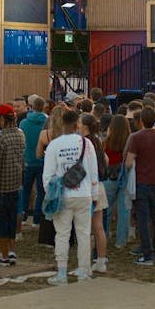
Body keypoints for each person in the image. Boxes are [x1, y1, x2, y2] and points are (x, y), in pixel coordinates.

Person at [44, 110, 99, 284]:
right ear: (77, 125)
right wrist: (94, 194)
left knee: (62, 234)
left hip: (62, 195)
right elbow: (93, 171)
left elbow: (48, 175)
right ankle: (84, 270)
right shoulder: (87, 143)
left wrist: (50, 194)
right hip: (83, 194)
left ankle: (61, 272)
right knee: (83, 233)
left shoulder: (54, 145)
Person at [125, 107, 155, 267]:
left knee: (143, 218)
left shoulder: (136, 137)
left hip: (141, 181)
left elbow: (129, 162)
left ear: (141, 121)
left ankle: (146, 253)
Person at [0, 104, 25, 266]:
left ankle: (4, 255)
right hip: (15, 184)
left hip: (1, 188)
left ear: (2, 118)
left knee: (0, 223)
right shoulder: (20, 135)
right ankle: (12, 251)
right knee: (12, 220)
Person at [79, 113, 109, 273]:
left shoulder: (84, 142)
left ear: (84, 126)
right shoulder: (98, 141)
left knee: (86, 228)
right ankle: (101, 260)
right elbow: (106, 160)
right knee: (98, 227)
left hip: (87, 187)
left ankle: (86, 261)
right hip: (99, 186)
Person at [103, 114, 133, 248]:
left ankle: (104, 236)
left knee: (106, 209)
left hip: (109, 177)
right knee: (124, 210)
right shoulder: (130, 141)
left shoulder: (106, 141)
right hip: (125, 176)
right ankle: (121, 241)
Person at [19, 95, 48, 228]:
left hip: (28, 160)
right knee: (41, 191)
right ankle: (37, 219)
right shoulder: (47, 122)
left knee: (26, 190)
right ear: (44, 107)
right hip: (43, 160)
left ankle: (23, 217)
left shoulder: (24, 123)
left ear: (31, 106)